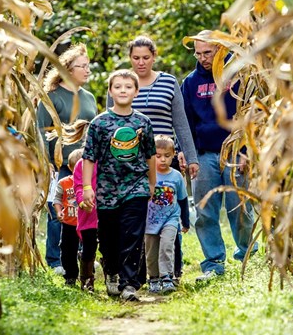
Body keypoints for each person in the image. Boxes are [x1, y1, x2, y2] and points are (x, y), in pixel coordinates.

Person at [106, 35, 199, 282]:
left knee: (169, 212)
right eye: (135, 58)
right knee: (138, 217)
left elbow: (181, 122)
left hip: (165, 158)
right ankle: (140, 271)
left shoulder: (168, 82)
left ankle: (172, 271)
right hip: (131, 161)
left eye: (146, 57)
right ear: (130, 59)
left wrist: (190, 157)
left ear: (154, 56)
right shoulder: (122, 83)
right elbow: (110, 121)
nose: (141, 63)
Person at [181, 30, 257, 282]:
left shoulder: (238, 77)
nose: (203, 58)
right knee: (205, 211)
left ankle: (248, 252)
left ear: (220, 51)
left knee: (240, 206)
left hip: (236, 151)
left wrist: (247, 151)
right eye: (198, 53)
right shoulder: (190, 83)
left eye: (208, 52)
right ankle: (213, 262)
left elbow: (250, 116)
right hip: (204, 155)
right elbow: (186, 123)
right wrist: (188, 154)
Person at [81, 69, 156, 301]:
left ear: (136, 91)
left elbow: (150, 155)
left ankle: (128, 284)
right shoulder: (99, 123)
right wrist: (86, 187)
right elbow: (89, 157)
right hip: (107, 189)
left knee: (132, 235)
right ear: (110, 91)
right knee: (109, 236)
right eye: (118, 86)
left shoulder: (143, 122)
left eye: (128, 86)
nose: (123, 90)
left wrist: (151, 184)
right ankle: (112, 271)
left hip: (136, 186)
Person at [37, 43, 97, 275]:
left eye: (87, 66)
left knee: (85, 209)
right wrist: (47, 163)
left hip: (87, 164)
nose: (87, 71)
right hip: (60, 165)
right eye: (82, 66)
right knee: (59, 211)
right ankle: (56, 260)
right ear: (68, 70)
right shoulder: (51, 97)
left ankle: (84, 255)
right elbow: (40, 131)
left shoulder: (89, 97)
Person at [145, 135, 190, 294]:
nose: (162, 160)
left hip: (171, 219)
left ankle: (167, 277)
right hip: (150, 220)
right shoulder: (147, 175)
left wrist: (185, 221)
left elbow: (183, 200)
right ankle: (154, 278)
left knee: (167, 246)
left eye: (167, 156)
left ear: (174, 155)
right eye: (158, 156)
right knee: (151, 251)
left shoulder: (176, 176)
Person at [70, 121, 99, 292]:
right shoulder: (81, 164)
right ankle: (87, 280)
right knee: (89, 247)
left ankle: (112, 274)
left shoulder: (108, 162)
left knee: (109, 245)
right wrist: (82, 202)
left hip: (107, 212)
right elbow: (78, 186)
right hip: (88, 213)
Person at [53, 149, 83, 286]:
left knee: (87, 250)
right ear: (70, 168)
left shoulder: (91, 184)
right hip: (69, 223)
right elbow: (57, 200)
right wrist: (59, 212)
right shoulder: (64, 183)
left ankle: (87, 276)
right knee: (67, 250)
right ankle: (70, 275)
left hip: (85, 223)